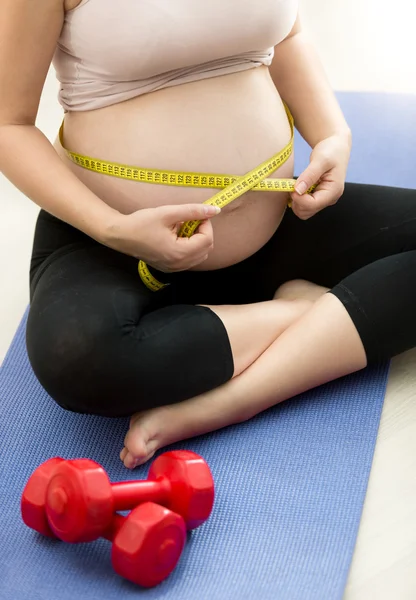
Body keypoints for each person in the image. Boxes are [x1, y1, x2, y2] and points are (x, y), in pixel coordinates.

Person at [0, 0, 415, 470]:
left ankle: (235, 398)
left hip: (277, 222)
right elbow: (7, 123)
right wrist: (114, 228)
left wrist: (332, 134)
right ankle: (305, 314)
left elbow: (286, 34)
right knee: (76, 358)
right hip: (114, 243)